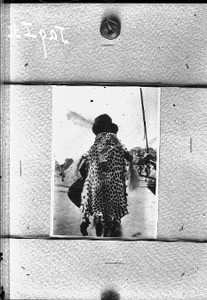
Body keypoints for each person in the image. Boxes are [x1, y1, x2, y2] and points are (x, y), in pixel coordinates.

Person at [79, 114, 150, 237]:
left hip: (96, 190)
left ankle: (87, 221)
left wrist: (91, 179)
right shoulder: (117, 146)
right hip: (114, 191)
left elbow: (81, 169)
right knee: (114, 221)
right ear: (110, 130)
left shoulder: (92, 149)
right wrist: (146, 158)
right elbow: (136, 161)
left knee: (97, 214)